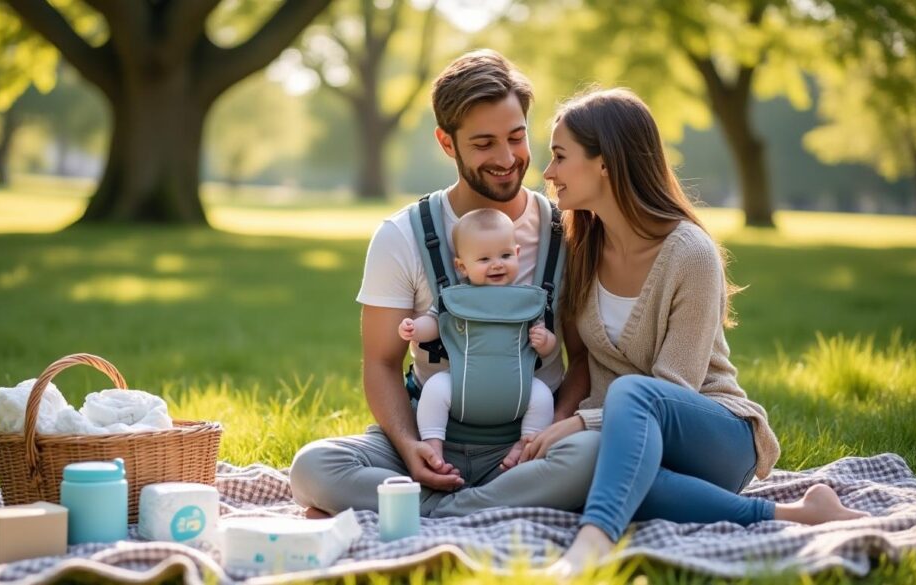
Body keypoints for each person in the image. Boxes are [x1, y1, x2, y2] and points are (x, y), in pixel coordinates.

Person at [523, 87, 868, 576]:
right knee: (611, 478)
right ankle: (798, 514)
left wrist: (580, 423)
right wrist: (555, 423)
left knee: (630, 396)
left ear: (605, 163)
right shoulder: (580, 247)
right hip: (629, 436)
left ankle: (590, 547)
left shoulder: (690, 253)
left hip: (714, 435)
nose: (548, 172)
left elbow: (672, 387)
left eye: (560, 156)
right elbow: (581, 361)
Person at [289, 50, 600, 519]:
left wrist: (548, 434)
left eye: (516, 137)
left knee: (592, 455)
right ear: (446, 142)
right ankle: (485, 507)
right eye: (484, 143)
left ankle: (427, 510)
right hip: (429, 436)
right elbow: (381, 363)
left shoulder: (568, 232)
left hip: (528, 442)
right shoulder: (401, 236)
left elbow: (582, 360)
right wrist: (410, 446)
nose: (506, 158)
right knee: (313, 467)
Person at [398, 208, 557, 466]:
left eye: (505, 255)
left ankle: (525, 444)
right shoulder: (457, 297)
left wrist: (545, 341)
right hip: (462, 385)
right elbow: (436, 322)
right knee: (435, 389)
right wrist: (415, 328)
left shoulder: (525, 299)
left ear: (517, 254)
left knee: (542, 396)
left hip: (517, 386)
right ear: (462, 266)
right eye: (484, 259)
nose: (497, 264)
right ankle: (433, 443)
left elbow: (546, 341)